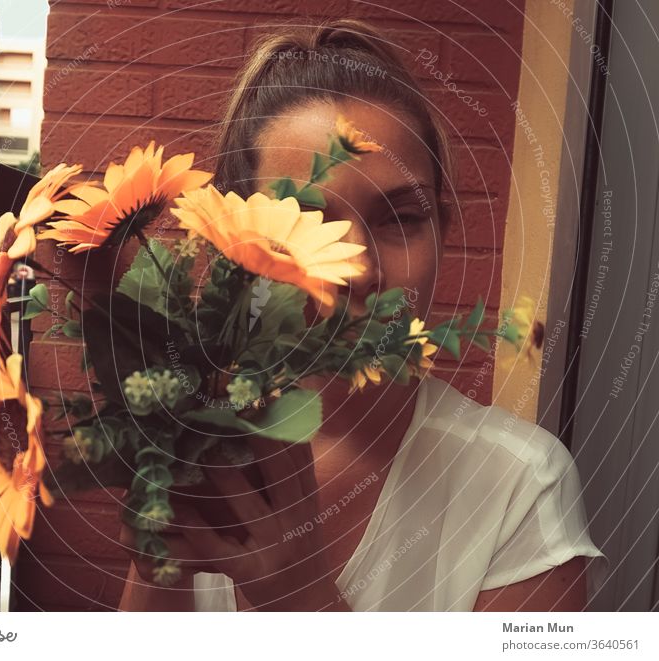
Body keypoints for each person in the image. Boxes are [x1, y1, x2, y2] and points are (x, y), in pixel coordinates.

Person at [117, 19, 608, 611]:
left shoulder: (518, 488)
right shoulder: (201, 452)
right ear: (236, 249)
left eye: (399, 219)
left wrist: (302, 601)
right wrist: (155, 564)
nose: (359, 270)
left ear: (444, 235)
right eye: (306, 221)